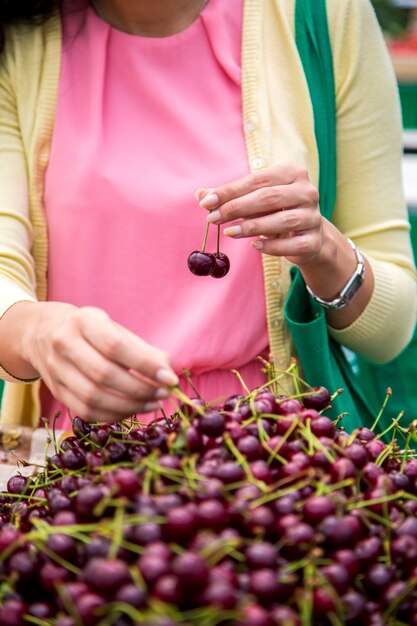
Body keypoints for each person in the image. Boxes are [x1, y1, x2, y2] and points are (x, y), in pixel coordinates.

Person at [0, 0, 415, 431]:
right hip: (83, 453)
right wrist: (37, 332)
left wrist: (324, 250)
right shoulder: (22, 37)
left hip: (270, 453)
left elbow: (391, 331)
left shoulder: (325, 14)